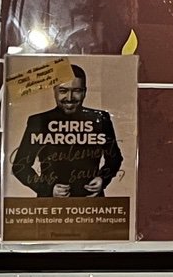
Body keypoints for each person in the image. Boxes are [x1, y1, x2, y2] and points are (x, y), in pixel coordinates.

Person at [10, 64, 124, 198]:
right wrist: (47, 189)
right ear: (54, 91)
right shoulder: (39, 121)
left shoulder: (100, 119)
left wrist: (103, 179)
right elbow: (20, 166)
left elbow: (114, 159)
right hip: (50, 204)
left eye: (76, 91)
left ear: (84, 92)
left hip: (91, 202)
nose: (69, 98)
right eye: (63, 91)